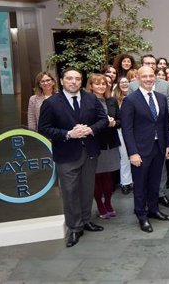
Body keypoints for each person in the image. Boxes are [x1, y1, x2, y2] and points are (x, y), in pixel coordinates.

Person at [38, 68, 108, 247]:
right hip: (67, 154)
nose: (74, 82)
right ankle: (75, 228)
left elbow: (103, 120)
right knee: (70, 193)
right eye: (69, 78)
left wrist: (90, 129)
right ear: (61, 81)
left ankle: (86, 220)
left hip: (89, 152)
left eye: (77, 79)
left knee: (87, 189)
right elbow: (44, 128)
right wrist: (69, 134)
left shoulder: (91, 98)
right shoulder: (52, 103)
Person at [120, 66, 169, 233]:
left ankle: (153, 209)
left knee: (155, 182)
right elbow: (127, 129)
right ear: (137, 78)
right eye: (145, 76)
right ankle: (141, 215)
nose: (149, 79)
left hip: (158, 148)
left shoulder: (161, 97)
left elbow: (164, 124)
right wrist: (133, 153)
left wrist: (168, 144)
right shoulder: (130, 100)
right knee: (140, 185)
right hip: (140, 151)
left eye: (152, 76)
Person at [85, 74, 121, 221]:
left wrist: (114, 123)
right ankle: (99, 204)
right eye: (97, 84)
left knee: (108, 175)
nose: (101, 86)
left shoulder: (112, 101)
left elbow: (121, 120)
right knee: (97, 176)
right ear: (91, 86)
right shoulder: (86, 102)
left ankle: (108, 202)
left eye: (103, 84)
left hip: (111, 142)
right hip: (95, 143)